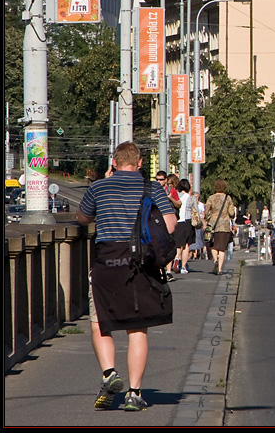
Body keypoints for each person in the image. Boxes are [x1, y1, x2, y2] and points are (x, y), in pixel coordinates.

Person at [77, 141, 177, 412]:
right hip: (140, 262)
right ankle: (134, 393)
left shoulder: (98, 187)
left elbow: (83, 217)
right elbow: (169, 225)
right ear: (140, 163)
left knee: (100, 322)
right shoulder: (151, 187)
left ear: (114, 162)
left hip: (106, 261)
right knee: (137, 328)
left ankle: (109, 373)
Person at [204, 179, 237, 275]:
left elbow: (206, 211)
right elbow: (231, 212)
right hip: (224, 225)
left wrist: (209, 218)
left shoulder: (211, 198)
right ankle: (220, 269)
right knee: (222, 248)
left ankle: (215, 260)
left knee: (213, 245)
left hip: (213, 224)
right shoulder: (228, 198)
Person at [172, 179, 196, 274]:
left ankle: (176, 257)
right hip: (187, 221)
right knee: (186, 245)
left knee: (178, 243)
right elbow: (195, 210)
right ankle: (183, 267)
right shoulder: (191, 198)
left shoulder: (176, 196)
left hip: (177, 221)